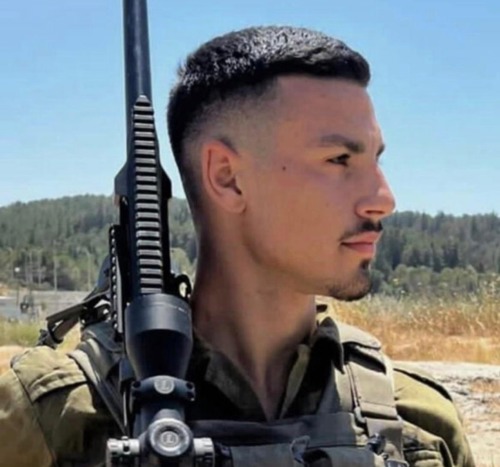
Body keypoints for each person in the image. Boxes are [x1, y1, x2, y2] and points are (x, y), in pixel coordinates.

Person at [0, 26, 475, 466]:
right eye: (339, 159)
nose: (384, 199)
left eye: (376, 160)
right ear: (227, 178)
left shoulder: (417, 420)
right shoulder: (54, 416)